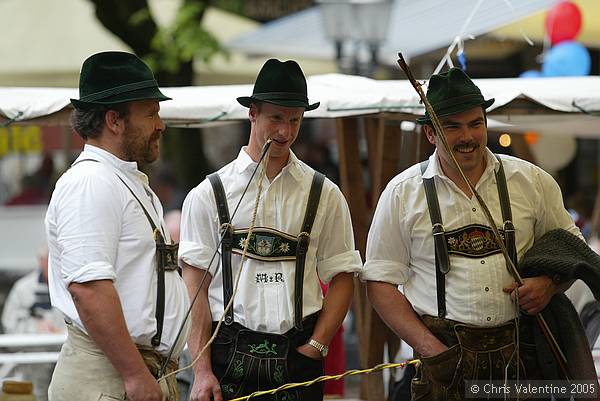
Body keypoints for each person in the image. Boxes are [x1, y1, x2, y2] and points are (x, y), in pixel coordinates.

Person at [362, 68, 591, 399]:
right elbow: (380, 281)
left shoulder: (532, 182)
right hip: (444, 363)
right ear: (430, 133)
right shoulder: (402, 193)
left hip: (522, 360)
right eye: (452, 126)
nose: (467, 136)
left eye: (475, 123)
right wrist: (428, 347)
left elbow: (573, 251)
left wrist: (549, 284)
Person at [179, 58, 362, 401]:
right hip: (226, 361)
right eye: (276, 118)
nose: (285, 131)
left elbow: (343, 276)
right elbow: (195, 289)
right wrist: (201, 371)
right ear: (253, 113)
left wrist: (316, 346)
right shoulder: (208, 195)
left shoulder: (323, 194)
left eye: (294, 120)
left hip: (299, 356)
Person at [45, 51, 190, 401]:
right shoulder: (91, 182)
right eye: (151, 113)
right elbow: (88, 288)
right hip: (111, 378)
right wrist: (134, 374)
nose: (161, 124)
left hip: (128, 376)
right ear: (114, 120)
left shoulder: (118, 178)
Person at [1, 247, 65, 401]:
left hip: (65, 355)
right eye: (50, 260)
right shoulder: (23, 289)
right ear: (41, 261)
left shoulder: (72, 286)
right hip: (32, 359)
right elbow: (10, 327)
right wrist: (37, 328)